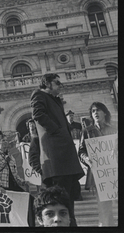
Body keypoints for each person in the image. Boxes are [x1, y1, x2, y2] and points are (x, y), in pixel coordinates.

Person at [30, 73, 84, 227]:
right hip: (57, 157)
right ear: (47, 83)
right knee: (59, 200)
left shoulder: (56, 100)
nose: (61, 86)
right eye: (57, 83)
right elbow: (37, 114)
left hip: (65, 156)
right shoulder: (38, 94)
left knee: (67, 200)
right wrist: (56, 130)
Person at [78, 101, 117, 226]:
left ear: (104, 113)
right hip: (101, 177)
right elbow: (81, 151)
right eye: (93, 111)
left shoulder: (114, 129)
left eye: (98, 110)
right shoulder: (87, 131)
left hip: (116, 173)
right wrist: (87, 159)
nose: (95, 113)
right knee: (105, 209)